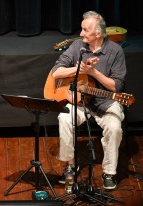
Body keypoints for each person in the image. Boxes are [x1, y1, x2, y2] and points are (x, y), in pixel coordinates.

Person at [51, 11, 126, 190]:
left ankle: (109, 171)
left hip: (105, 102)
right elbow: (56, 72)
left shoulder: (115, 51)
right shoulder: (78, 46)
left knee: (114, 127)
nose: (81, 33)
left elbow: (117, 87)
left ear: (98, 34)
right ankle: (70, 166)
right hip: (79, 102)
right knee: (64, 118)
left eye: (85, 30)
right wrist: (79, 69)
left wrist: (94, 73)